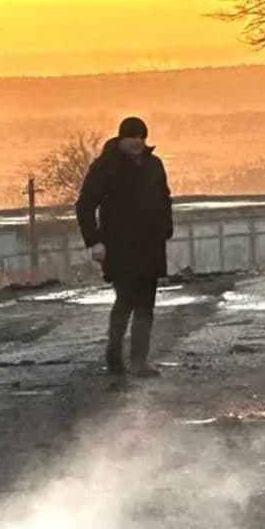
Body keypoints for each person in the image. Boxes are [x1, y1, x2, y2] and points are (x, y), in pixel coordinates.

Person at [76, 117, 174, 378]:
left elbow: (164, 198)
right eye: (133, 137)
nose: (138, 142)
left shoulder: (154, 165)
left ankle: (139, 361)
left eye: (142, 137)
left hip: (150, 245)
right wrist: (94, 241)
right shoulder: (106, 167)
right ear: (122, 138)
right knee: (126, 298)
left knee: (146, 303)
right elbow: (85, 204)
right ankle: (114, 355)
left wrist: (166, 227)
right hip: (119, 246)